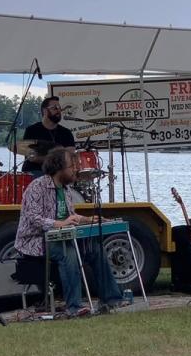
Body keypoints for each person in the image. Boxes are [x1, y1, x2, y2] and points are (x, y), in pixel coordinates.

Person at [14, 147, 125, 316]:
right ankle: (74, 307)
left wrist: (89, 220)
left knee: (95, 249)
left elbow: (70, 216)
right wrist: (59, 223)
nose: (76, 170)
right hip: (34, 241)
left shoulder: (65, 190)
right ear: (59, 168)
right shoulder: (37, 187)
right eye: (72, 166)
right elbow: (33, 218)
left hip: (59, 238)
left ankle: (111, 300)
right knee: (69, 253)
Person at [16, 96, 76, 175]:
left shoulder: (66, 133)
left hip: (57, 174)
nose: (58, 110)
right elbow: (31, 156)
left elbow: (70, 154)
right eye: (54, 108)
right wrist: (55, 159)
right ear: (45, 111)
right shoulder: (32, 130)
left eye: (59, 108)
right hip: (35, 171)